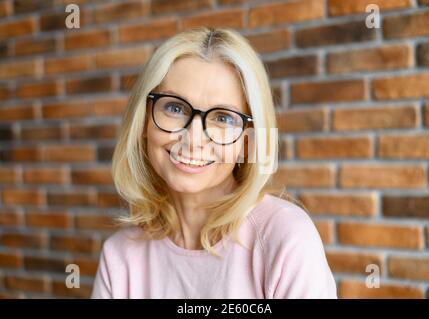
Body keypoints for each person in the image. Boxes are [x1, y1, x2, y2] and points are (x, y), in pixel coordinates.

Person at [91, 27, 337, 299]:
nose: (193, 139)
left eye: (223, 118)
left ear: (247, 139)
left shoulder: (286, 238)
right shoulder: (120, 256)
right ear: (144, 121)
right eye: (174, 108)